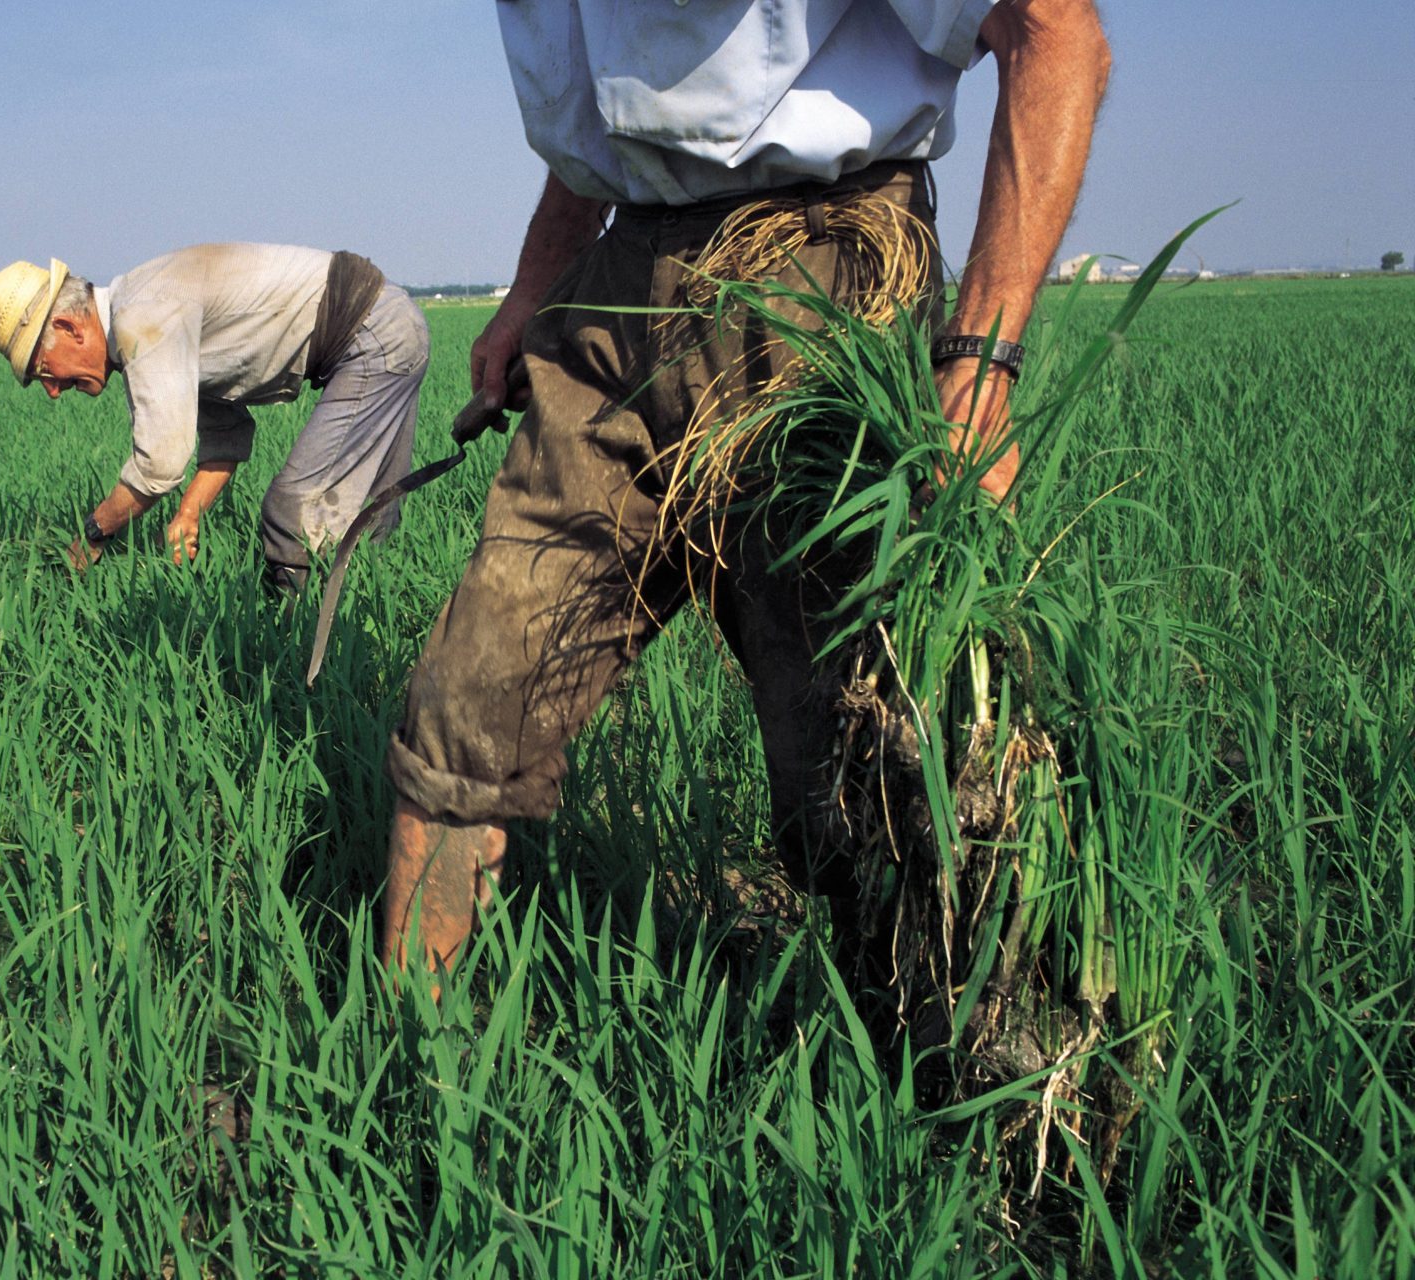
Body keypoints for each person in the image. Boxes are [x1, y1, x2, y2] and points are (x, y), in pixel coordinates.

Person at [379, 0, 1111, 975]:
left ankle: (910, 1089)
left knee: (862, 753)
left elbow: (1055, 32)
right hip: (624, 291)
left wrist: (978, 362)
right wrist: (535, 283)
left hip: (822, 282)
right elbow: (616, 109)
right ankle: (408, 1070)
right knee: (468, 699)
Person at [0, 244, 430, 592]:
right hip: (379, 324)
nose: (53, 391)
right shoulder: (148, 316)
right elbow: (226, 431)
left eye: (45, 372)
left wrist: (94, 534)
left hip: (371, 334)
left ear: (68, 328)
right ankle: (366, 616)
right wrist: (190, 512)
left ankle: (291, 658)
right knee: (370, 517)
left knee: (293, 513)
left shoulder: (142, 319)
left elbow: (159, 464)